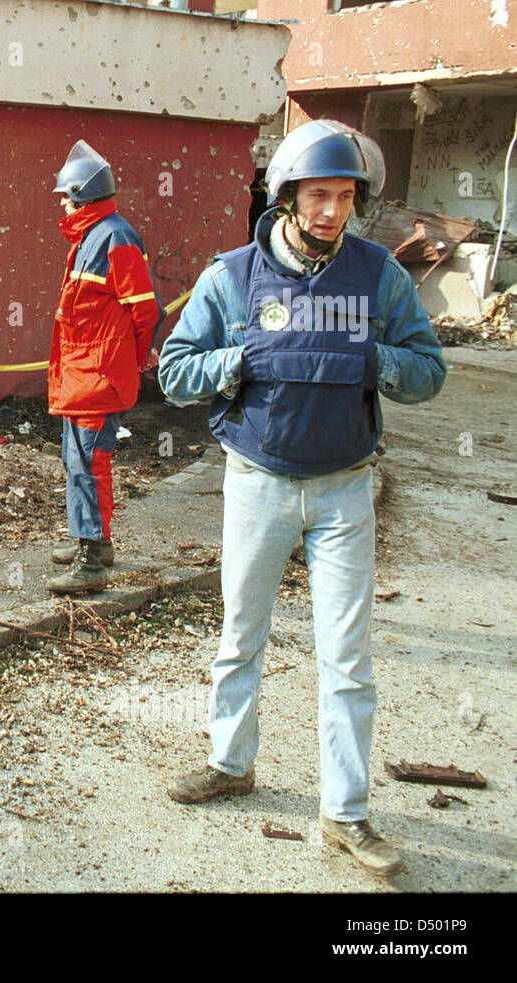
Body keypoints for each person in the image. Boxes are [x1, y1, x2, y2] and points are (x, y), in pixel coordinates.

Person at [157, 120, 446, 877]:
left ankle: (345, 815)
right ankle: (230, 762)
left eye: (345, 197)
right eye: (318, 195)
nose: (332, 211)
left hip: (347, 490)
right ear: (286, 196)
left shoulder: (380, 275)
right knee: (239, 635)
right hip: (257, 483)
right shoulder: (232, 275)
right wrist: (239, 358)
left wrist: (372, 357)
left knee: (348, 659)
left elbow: (429, 372)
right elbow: (175, 372)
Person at [45, 138, 163, 595]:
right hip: (84, 373)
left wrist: (130, 364)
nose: (60, 202)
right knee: (80, 459)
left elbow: (145, 310)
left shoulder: (113, 236)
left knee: (87, 462)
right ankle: (94, 540)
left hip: (97, 375)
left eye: (64, 194)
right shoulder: (93, 236)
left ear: (81, 195)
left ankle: (91, 563)